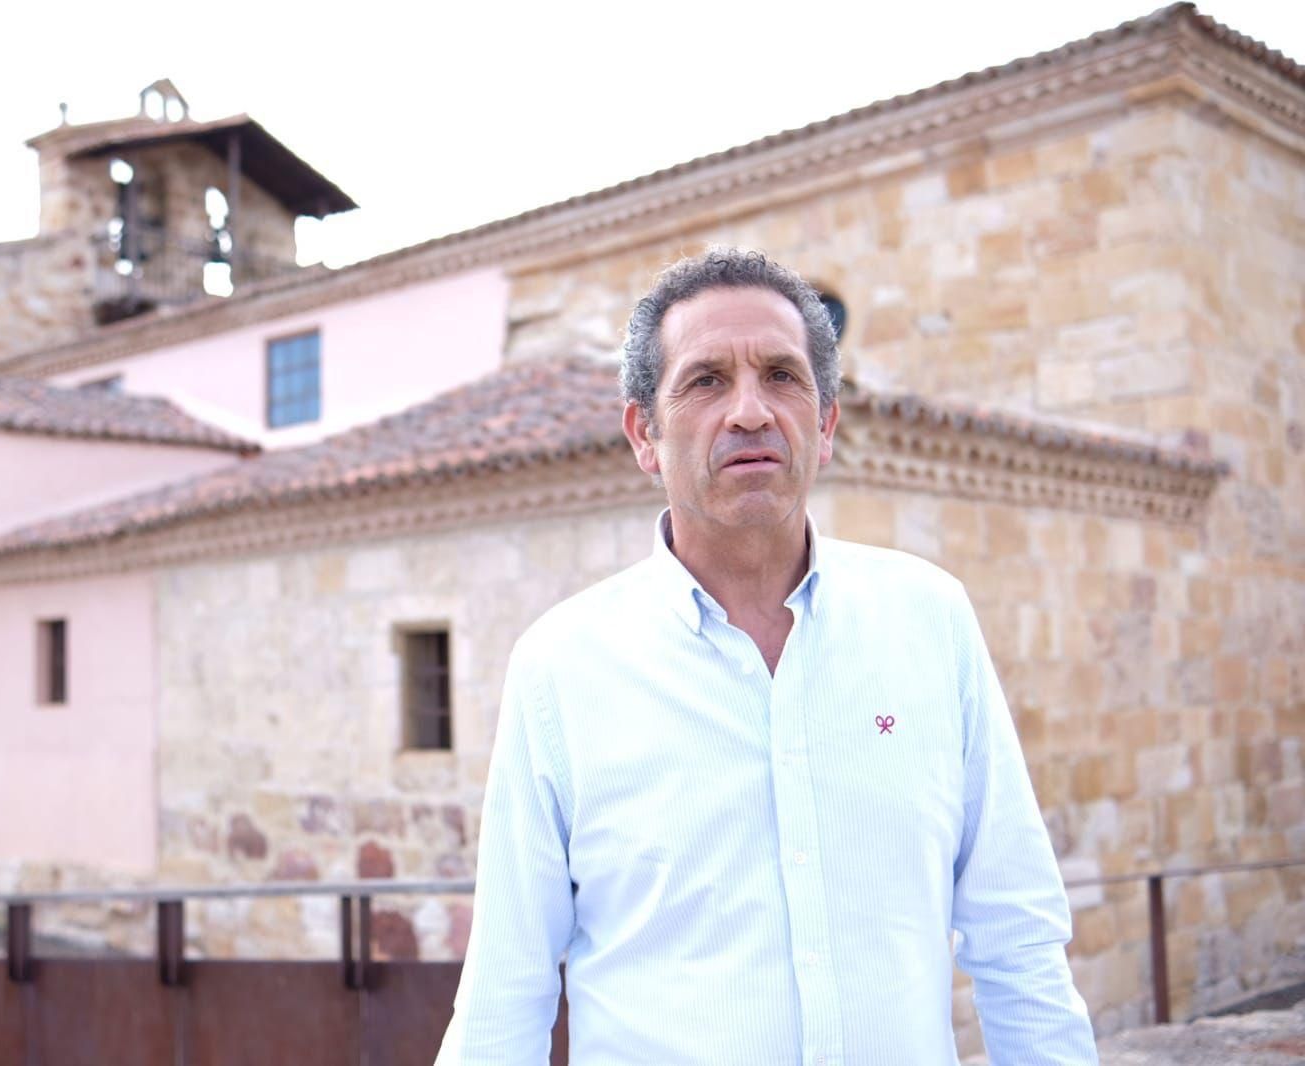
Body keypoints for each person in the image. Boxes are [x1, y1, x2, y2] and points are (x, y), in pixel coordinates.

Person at [435, 248, 1097, 1065]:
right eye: (706, 380)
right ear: (645, 433)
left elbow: (1017, 936)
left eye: (782, 376)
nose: (750, 410)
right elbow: (508, 991)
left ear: (824, 423)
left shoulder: (932, 622)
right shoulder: (561, 670)